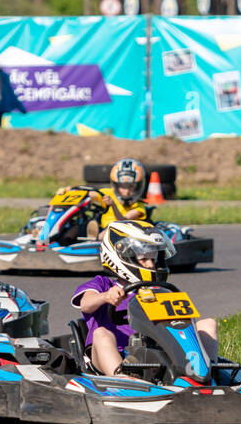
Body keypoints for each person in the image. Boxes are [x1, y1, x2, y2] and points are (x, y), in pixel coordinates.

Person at [73, 220, 220, 377]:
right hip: (111, 354)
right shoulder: (103, 284)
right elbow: (85, 305)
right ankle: (122, 379)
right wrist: (105, 296)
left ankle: (207, 374)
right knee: (101, 333)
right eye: (144, 258)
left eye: (153, 258)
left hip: (154, 353)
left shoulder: (160, 290)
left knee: (208, 324)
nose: (150, 265)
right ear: (121, 255)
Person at [55, 157, 149, 241]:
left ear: (138, 186)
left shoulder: (139, 206)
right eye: (123, 186)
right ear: (116, 185)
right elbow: (92, 194)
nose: (127, 191)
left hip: (120, 233)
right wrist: (69, 190)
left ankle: (95, 241)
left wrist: (113, 205)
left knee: (112, 228)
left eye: (131, 186)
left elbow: (122, 220)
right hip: (100, 228)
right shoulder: (108, 193)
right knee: (75, 229)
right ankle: (61, 240)